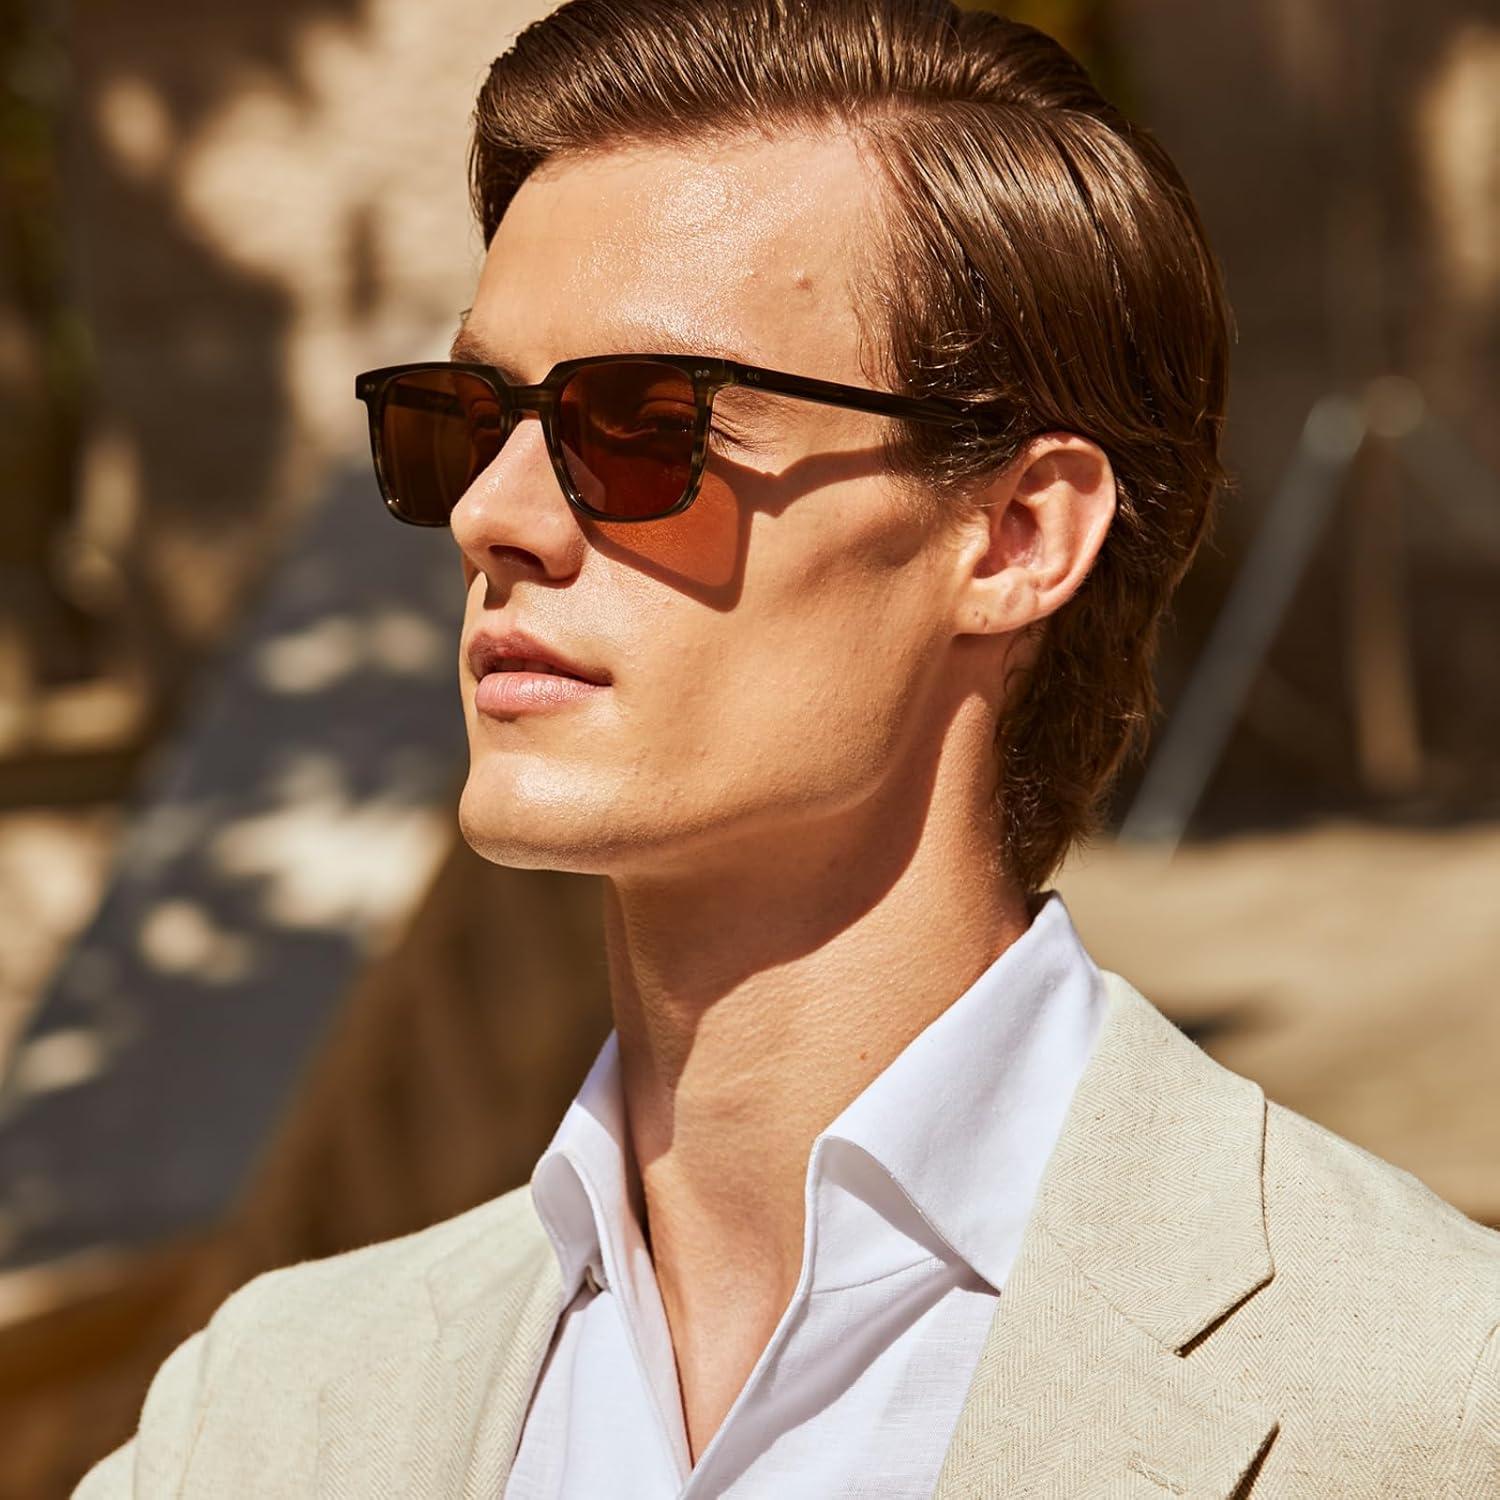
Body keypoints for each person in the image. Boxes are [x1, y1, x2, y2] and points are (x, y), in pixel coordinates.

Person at [78, 1, 1499, 1495]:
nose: (493, 513)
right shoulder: (257, 1412)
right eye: (472, 418)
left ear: (1016, 536)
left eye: (645, 425)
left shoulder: (1427, 1400)